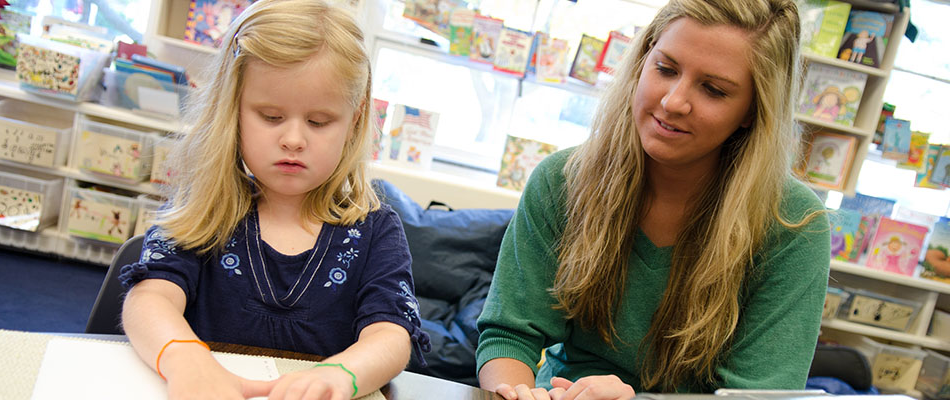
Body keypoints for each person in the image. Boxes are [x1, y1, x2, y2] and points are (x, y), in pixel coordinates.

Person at [475, 0, 831, 398]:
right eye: (665, 69)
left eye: (713, 90)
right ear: (642, 61)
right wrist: (518, 393)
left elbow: (760, 393)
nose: (673, 102)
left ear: (752, 110)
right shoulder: (561, 180)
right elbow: (510, 333)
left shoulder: (793, 224)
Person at [118, 1, 428, 399]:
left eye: (318, 122)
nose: (294, 139)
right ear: (233, 110)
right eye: (270, 116)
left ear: (354, 119)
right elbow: (150, 298)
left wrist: (343, 374)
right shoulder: (205, 207)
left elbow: (391, 333)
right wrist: (184, 360)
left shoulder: (377, 231)